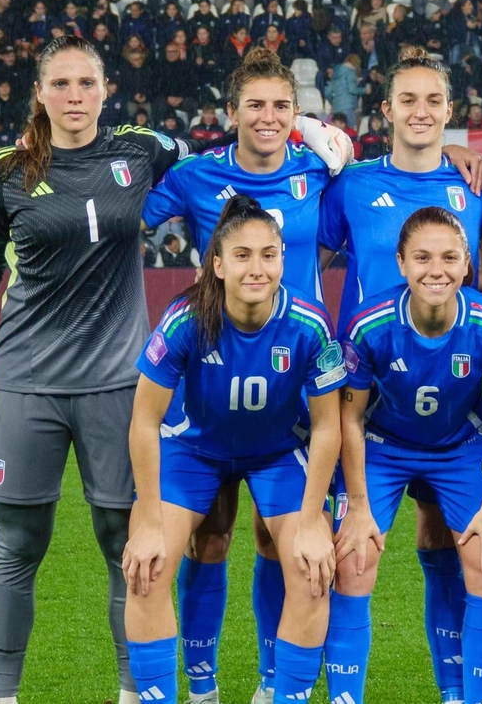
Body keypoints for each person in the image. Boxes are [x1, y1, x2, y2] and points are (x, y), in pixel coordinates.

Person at [0, 35, 282, 704]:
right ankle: (0, 698)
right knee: (18, 543)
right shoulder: (7, 169)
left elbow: (225, 158)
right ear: (39, 93)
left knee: (125, 541)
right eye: (61, 85)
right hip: (27, 382)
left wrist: (312, 138)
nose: (74, 96)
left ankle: (136, 693)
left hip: (119, 385)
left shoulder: (141, 149)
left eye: (86, 84)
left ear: (105, 90)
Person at [135, 46, 375, 704]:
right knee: (207, 539)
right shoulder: (194, 175)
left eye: (281, 107)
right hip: (212, 378)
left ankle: (274, 686)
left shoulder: (318, 170)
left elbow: (372, 215)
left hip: (297, 387)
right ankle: (203, 689)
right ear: (232, 111)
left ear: (296, 116)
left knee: (284, 544)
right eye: (255, 106)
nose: (268, 117)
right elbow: (129, 219)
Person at [318, 46, 482, 704]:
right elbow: (303, 239)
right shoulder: (354, 184)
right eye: (408, 100)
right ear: (385, 110)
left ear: (450, 113)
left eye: (434, 101)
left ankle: (459, 692)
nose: (421, 112)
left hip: (455, 410)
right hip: (369, 411)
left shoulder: (473, 186)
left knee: (461, 549)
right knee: (353, 558)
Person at [124, 195, 344, 703]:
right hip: (193, 452)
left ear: (283, 260)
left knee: (313, 571)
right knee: (147, 568)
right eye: (242, 255)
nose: (257, 267)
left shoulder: (310, 324)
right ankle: (197, 692)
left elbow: (328, 428)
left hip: (278, 454)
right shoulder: (185, 319)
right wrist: (150, 519)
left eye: (268, 254)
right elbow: (144, 419)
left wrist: (313, 520)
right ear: (217, 265)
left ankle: (280, 693)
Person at [332, 206, 482, 704]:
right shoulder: (366, 324)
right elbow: (349, 418)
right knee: (353, 559)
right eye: (421, 257)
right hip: (383, 445)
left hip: (461, 446)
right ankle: (344, 698)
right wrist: (356, 507)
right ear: (401, 263)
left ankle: (469, 697)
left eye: (448, 258)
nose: (435, 270)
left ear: (467, 265)